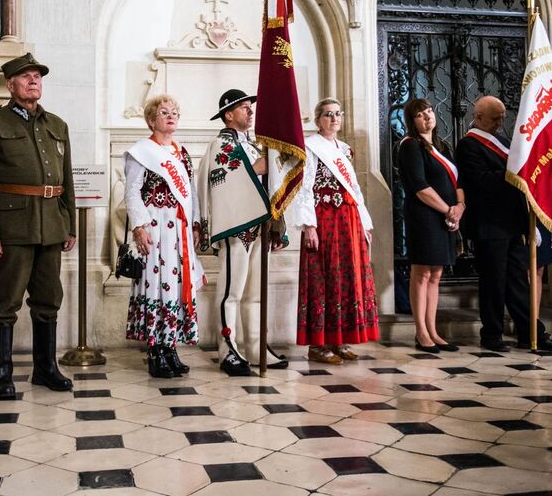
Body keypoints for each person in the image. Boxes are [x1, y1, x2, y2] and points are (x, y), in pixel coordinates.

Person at [0, 53, 77, 399]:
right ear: (10, 84)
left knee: (49, 298)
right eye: (25, 76)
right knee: (5, 300)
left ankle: (45, 368)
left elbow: (67, 180)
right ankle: (2, 375)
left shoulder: (57, 125)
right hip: (12, 226)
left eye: (37, 76)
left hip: (51, 225)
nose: (33, 81)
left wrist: (69, 225)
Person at [455, 95, 552, 352]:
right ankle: (492, 335)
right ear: (479, 117)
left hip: (513, 223)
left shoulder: (503, 142)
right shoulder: (468, 146)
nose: (500, 123)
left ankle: (530, 333)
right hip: (490, 226)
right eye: (496, 118)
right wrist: (513, 172)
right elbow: (481, 182)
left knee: (518, 281)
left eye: (503, 118)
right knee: (493, 282)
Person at [197, 89, 288, 376]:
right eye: (244, 108)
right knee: (232, 291)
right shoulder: (221, 144)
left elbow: (268, 183)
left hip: (259, 225)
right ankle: (228, 349)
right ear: (228, 114)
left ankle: (256, 346)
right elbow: (238, 178)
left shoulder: (251, 144)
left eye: (251, 108)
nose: (250, 112)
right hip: (238, 228)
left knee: (255, 294)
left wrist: (277, 225)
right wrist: (273, 153)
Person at [290, 98, 379, 364]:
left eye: (338, 114)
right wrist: (309, 226)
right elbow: (304, 189)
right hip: (324, 219)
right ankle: (318, 345)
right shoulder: (310, 147)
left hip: (348, 220)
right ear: (318, 120)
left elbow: (356, 191)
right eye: (328, 114)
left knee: (346, 278)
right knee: (324, 276)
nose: (334, 119)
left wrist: (364, 222)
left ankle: (340, 340)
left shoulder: (345, 150)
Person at [125, 95, 204, 378]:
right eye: (164, 112)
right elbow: (132, 192)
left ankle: (170, 345)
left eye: (175, 112)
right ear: (151, 120)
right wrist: (139, 227)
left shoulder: (181, 153)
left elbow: (191, 192)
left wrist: (195, 224)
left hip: (179, 228)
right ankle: (155, 349)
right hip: (155, 226)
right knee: (156, 283)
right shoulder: (141, 152)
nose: (171, 116)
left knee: (176, 283)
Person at [396, 99, 462, 353]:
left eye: (429, 111)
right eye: (420, 114)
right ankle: (421, 331)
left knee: (436, 274)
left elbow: (458, 183)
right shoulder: (410, 146)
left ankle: (433, 330)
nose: (427, 117)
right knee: (422, 272)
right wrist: (448, 210)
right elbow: (420, 187)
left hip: (446, 218)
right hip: (424, 217)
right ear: (412, 121)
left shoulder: (442, 147)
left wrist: (459, 208)